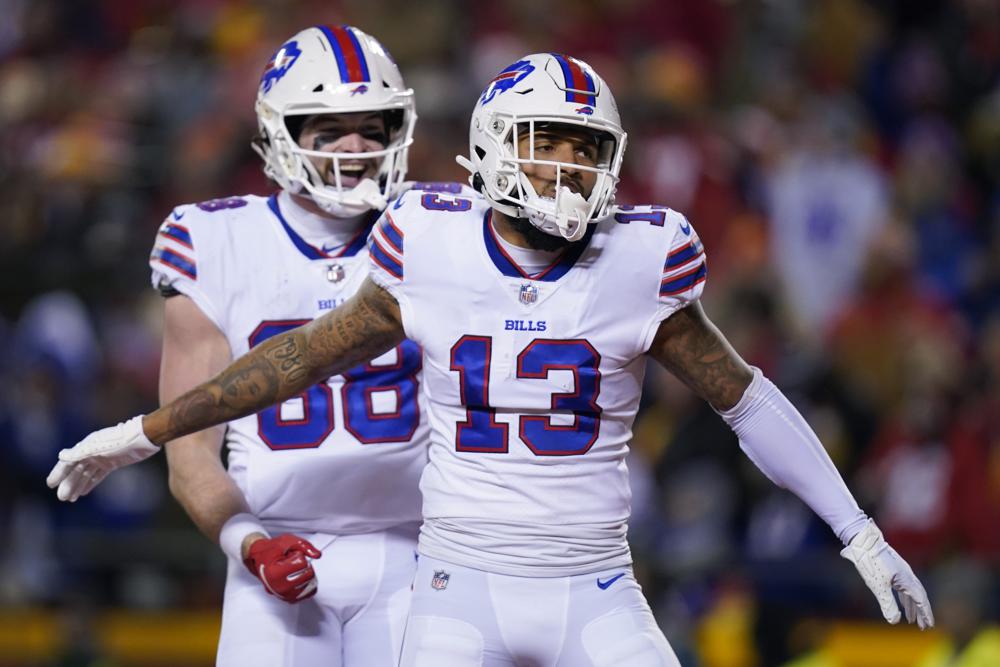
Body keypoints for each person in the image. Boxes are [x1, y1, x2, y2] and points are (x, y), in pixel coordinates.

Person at [49, 53, 934, 666]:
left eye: (586, 147)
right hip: (453, 588)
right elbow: (297, 361)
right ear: (498, 144)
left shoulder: (642, 256)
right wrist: (144, 430)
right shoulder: (429, 243)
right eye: (548, 140)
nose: (568, 166)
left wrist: (859, 531)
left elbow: (747, 400)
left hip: (597, 583)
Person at [50, 25, 450, 666]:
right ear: (278, 134)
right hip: (273, 549)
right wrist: (250, 545)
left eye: (371, 129)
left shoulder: (442, 228)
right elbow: (191, 456)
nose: (355, 147)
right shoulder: (214, 241)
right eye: (330, 130)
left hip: (422, 551)